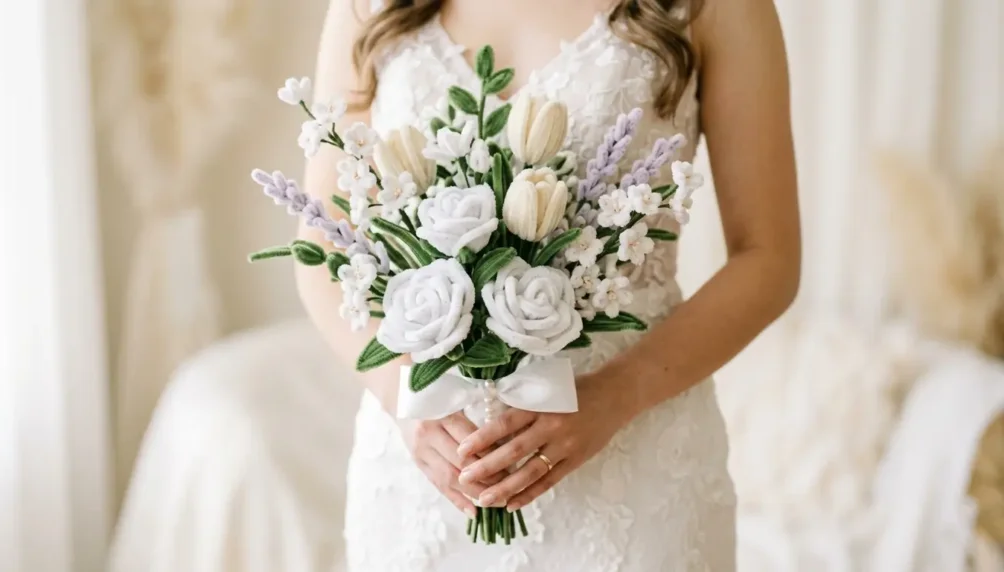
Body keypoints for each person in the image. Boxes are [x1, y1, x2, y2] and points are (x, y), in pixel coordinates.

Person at [297, 0, 799, 569]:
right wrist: (401, 393)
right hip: (426, 470)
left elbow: (768, 258)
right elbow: (322, 248)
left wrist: (618, 394)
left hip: (631, 467)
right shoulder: (367, 7)